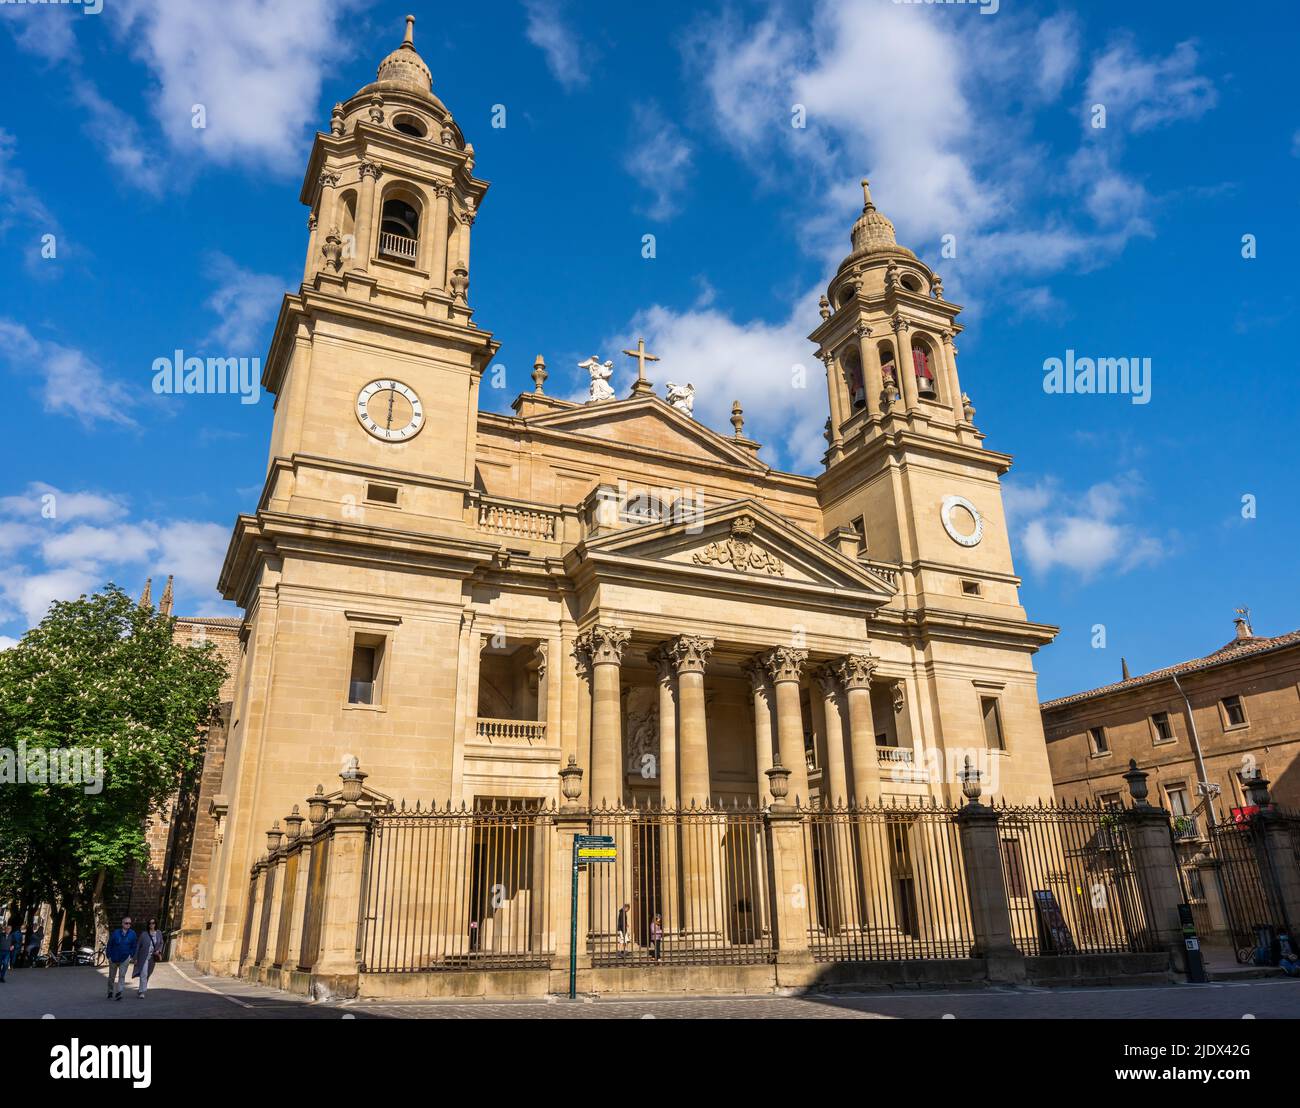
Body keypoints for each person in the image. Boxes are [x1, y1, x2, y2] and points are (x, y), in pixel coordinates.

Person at [105, 916, 136, 1001]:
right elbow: (110, 944)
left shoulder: (132, 934)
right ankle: (110, 991)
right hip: (114, 957)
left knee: (122, 976)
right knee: (111, 977)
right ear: (122, 924)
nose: (128, 925)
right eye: (126, 923)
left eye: (129, 923)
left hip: (125, 958)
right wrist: (109, 956)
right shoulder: (116, 933)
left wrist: (131, 956)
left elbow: (134, 946)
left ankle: (119, 992)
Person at [133, 919, 163, 998]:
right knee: (144, 973)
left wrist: (158, 951)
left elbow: (161, 943)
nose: (151, 925)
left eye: (153, 923)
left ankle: (141, 989)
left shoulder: (159, 933)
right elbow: (138, 945)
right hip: (143, 957)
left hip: (152, 957)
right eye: (150, 923)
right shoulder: (144, 934)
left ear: (155, 924)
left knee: (148, 973)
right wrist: (135, 958)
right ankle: (142, 991)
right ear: (148, 925)